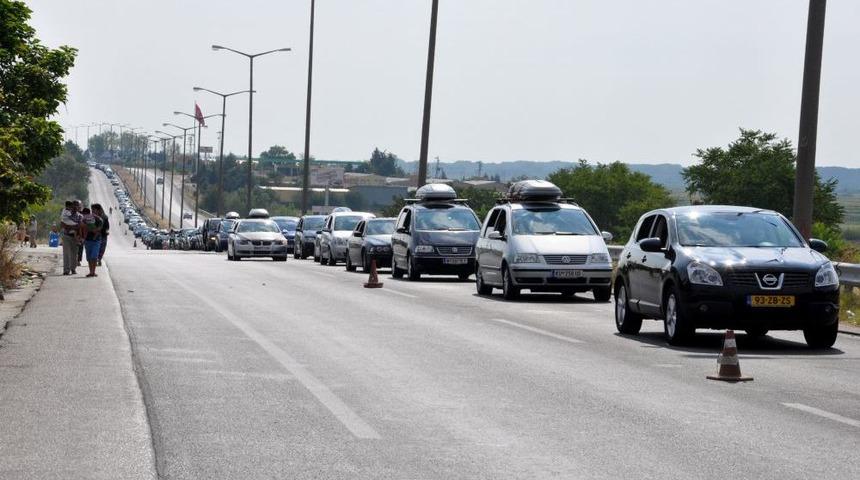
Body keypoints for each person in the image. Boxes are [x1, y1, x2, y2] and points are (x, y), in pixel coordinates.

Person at [60, 200, 82, 275]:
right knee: (66, 253)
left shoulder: (80, 216)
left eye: (78, 206)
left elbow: (79, 226)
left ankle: (73, 269)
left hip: (75, 237)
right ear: (72, 206)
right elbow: (62, 224)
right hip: (66, 236)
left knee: (74, 254)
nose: (76, 207)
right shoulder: (66, 214)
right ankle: (66, 270)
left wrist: (70, 227)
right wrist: (72, 226)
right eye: (75, 205)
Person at [80, 207, 103, 278]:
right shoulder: (84, 219)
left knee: (94, 256)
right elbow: (81, 227)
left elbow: (99, 228)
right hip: (87, 240)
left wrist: (93, 230)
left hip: (96, 240)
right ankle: (91, 272)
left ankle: (93, 272)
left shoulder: (98, 219)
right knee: (89, 257)